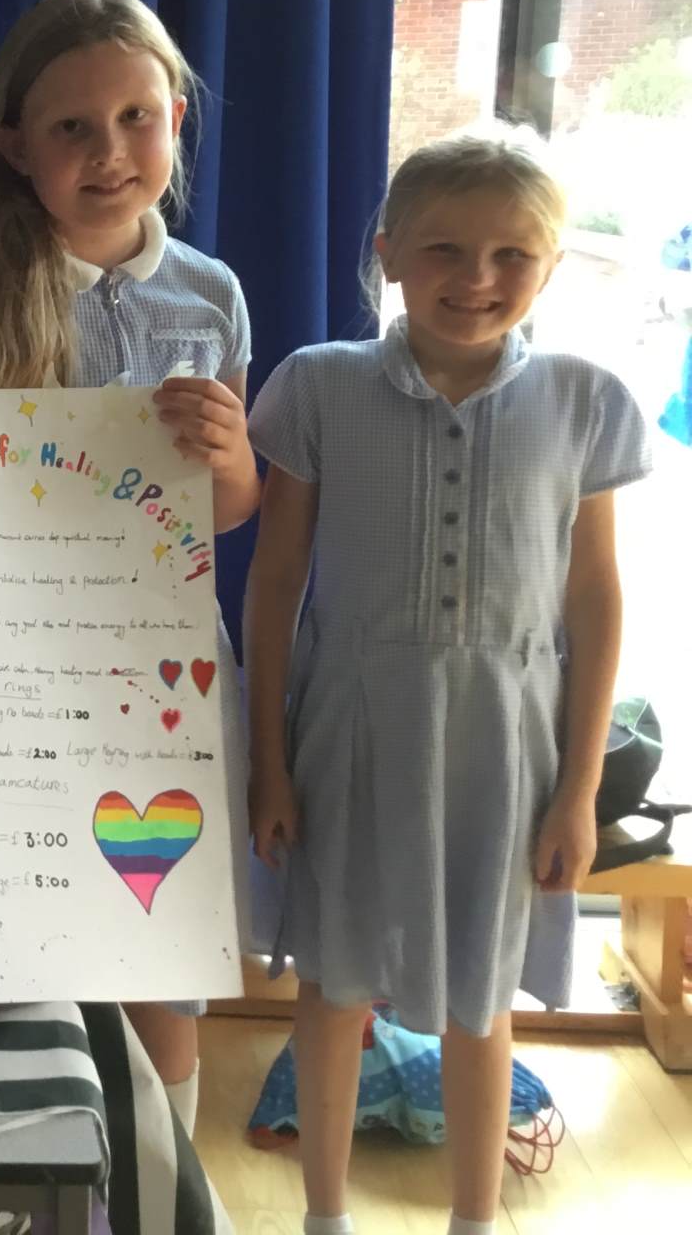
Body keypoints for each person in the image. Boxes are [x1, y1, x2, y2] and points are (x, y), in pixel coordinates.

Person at [244, 132, 651, 1235]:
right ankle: (324, 1217)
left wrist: (578, 790)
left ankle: (475, 1218)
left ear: (551, 266)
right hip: (349, 731)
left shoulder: (584, 401)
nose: (476, 278)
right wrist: (269, 762)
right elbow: (275, 582)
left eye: (512, 254)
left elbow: (595, 599)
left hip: (505, 747)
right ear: (387, 253)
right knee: (333, 986)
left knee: (483, 992)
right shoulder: (318, 387)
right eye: (444, 249)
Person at [0, 0, 260, 1134]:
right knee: (13, 953)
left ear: (176, 120)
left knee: (162, 967)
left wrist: (231, 456)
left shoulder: (211, 295)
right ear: (14, 145)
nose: (109, 152)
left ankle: (160, 1183)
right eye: (72, 127)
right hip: (2, 683)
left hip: (163, 678)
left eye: (137, 117)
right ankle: (33, 1183)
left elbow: (225, 514)